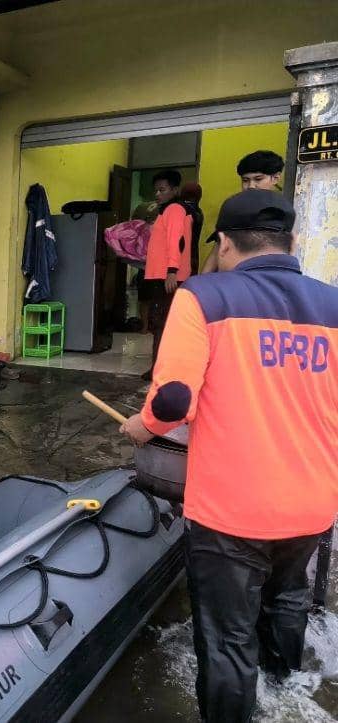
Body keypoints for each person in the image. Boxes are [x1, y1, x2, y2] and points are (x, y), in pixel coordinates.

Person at [119, 189, 338, 723]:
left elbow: (172, 399)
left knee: (226, 639)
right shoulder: (333, 304)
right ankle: (287, 683)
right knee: (287, 599)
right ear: (290, 241)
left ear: (222, 242)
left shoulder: (203, 296)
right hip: (313, 503)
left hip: (232, 513)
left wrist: (141, 427)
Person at [140, 169, 193, 380]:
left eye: (162, 190)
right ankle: (161, 367)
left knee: (162, 323)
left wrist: (171, 271)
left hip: (168, 277)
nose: (158, 194)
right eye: (156, 190)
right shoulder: (169, 210)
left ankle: (160, 370)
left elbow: (176, 241)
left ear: (175, 190)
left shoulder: (174, 209)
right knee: (162, 322)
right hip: (163, 275)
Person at [201, 150, 283, 274]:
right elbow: (216, 252)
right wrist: (202, 285)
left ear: (275, 178)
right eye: (245, 180)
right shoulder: (234, 210)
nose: (251, 185)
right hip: (231, 282)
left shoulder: (285, 213)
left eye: (258, 179)